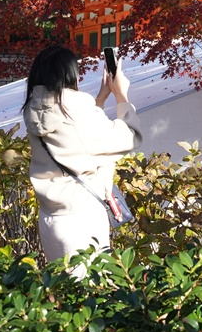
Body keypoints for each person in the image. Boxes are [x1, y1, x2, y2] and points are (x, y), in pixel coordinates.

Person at [22, 45, 142, 268]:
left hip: (51, 218)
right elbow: (129, 138)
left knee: (61, 289)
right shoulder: (77, 107)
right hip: (81, 219)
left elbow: (73, 138)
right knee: (89, 295)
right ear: (70, 75)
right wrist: (120, 94)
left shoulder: (35, 108)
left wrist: (101, 98)